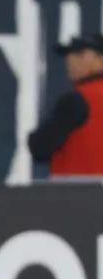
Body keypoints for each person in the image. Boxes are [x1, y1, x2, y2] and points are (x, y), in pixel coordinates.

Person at [28, 33, 103, 177]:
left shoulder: (78, 100)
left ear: (100, 60)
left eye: (80, 54)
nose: (71, 60)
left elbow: (39, 147)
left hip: (79, 193)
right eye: (69, 54)